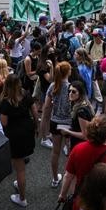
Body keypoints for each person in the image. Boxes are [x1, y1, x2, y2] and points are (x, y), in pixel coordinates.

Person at [0, 74, 38, 207]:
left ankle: (22, 198)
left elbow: (3, 123)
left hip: (14, 135)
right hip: (27, 130)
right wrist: (36, 127)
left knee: (20, 169)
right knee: (21, 163)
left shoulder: (6, 101)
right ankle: (19, 185)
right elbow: (34, 111)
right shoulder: (26, 94)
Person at [42, 61, 72, 189]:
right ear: (68, 72)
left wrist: (44, 120)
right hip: (68, 123)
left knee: (55, 152)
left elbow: (47, 106)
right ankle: (70, 177)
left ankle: (55, 179)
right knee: (70, 153)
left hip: (55, 122)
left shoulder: (53, 86)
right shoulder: (72, 87)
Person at [60, 81, 94, 150]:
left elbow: (85, 135)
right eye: (69, 91)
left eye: (74, 92)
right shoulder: (82, 104)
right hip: (79, 144)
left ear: (80, 94)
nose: (70, 94)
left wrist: (68, 132)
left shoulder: (81, 111)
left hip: (81, 146)